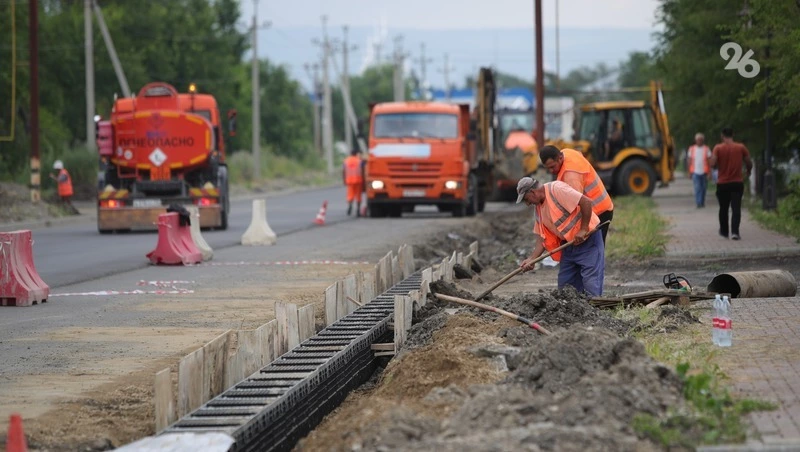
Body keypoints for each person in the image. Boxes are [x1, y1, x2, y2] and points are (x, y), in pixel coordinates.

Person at [516, 177, 605, 296]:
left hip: (588, 240)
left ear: (533, 192)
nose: (528, 204)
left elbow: (586, 202)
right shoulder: (538, 209)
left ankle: (595, 310)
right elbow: (542, 236)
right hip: (568, 246)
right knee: (565, 289)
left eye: (527, 199)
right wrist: (532, 259)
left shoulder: (557, 190)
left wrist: (583, 229)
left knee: (591, 283)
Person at [538, 145, 614, 244]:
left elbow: (578, 206)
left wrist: (583, 229)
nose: (551, 171)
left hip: (598, 212)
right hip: (601, 206)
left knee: (593, 250)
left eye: (552, 167)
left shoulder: (571, 177)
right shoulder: (567, 152)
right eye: (548, 168)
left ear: (560, 158)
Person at [709, 128, 752, 240]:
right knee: (736, 208)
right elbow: (748, 161)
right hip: (737, 182)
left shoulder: (718, 148)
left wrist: (714, 165)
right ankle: (735, 232)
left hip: (722, 183)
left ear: (722, 136)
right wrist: (748, 171)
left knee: (723, 208)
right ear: (733, 135)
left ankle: (724, 232)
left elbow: (712, 163)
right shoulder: (741, 147)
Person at [687, 133, 712, 208]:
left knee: (703, 188)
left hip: (704, 172)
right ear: (695, 140)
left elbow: (709, 161)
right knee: (697, 188)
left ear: (703, 140)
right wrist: (689, 172)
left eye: (701, 140)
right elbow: (689, 160)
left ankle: (702, 201)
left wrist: (710, 172)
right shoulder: (691, 149)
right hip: (695, 172)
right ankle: (699, 203)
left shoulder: (706, 149)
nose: (699, 141)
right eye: (698, 140)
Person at [342, 149, 365, 217]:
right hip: (358, 180)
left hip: (349, 181)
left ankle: (350, 206)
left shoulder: (346, 161)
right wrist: (364, 180)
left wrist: (344, 180)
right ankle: (358, 210)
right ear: (356, 154)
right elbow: (363, 171)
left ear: (350, 153)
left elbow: (343, 171)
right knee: (358, 196)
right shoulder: (360, 161)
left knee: (350, 195)